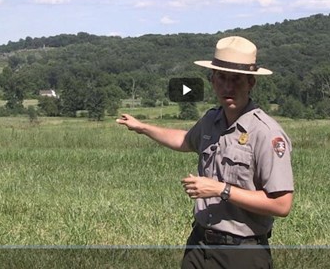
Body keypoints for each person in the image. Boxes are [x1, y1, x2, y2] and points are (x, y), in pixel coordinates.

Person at [117, 36, 294, 269]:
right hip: (199, 245)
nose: (228, 87)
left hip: (242, 253)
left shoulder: (266, 133)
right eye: (222, 78)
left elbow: (281, 205)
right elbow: (184, 140)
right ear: (212, 80)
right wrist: (143, 127)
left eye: (236, 79)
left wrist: (221, 190)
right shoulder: (212, 120)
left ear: (251, 82)